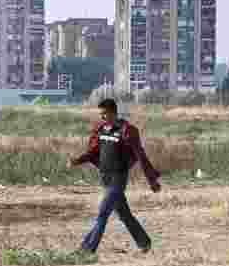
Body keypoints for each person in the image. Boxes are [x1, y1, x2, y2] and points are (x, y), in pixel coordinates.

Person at [68, 98, 161, 253]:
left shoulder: (127, 130)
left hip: (118, 179)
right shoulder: (100, 129)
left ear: (113, 112)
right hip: (104, 178)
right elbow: (92, 152)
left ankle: (86, 249)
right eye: (101, 114)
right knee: (124, 214)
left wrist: (152, 180)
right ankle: (144, 242)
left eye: (104, 114)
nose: (102, 117)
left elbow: (141, 155)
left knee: (102, 213)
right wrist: (77, 161)